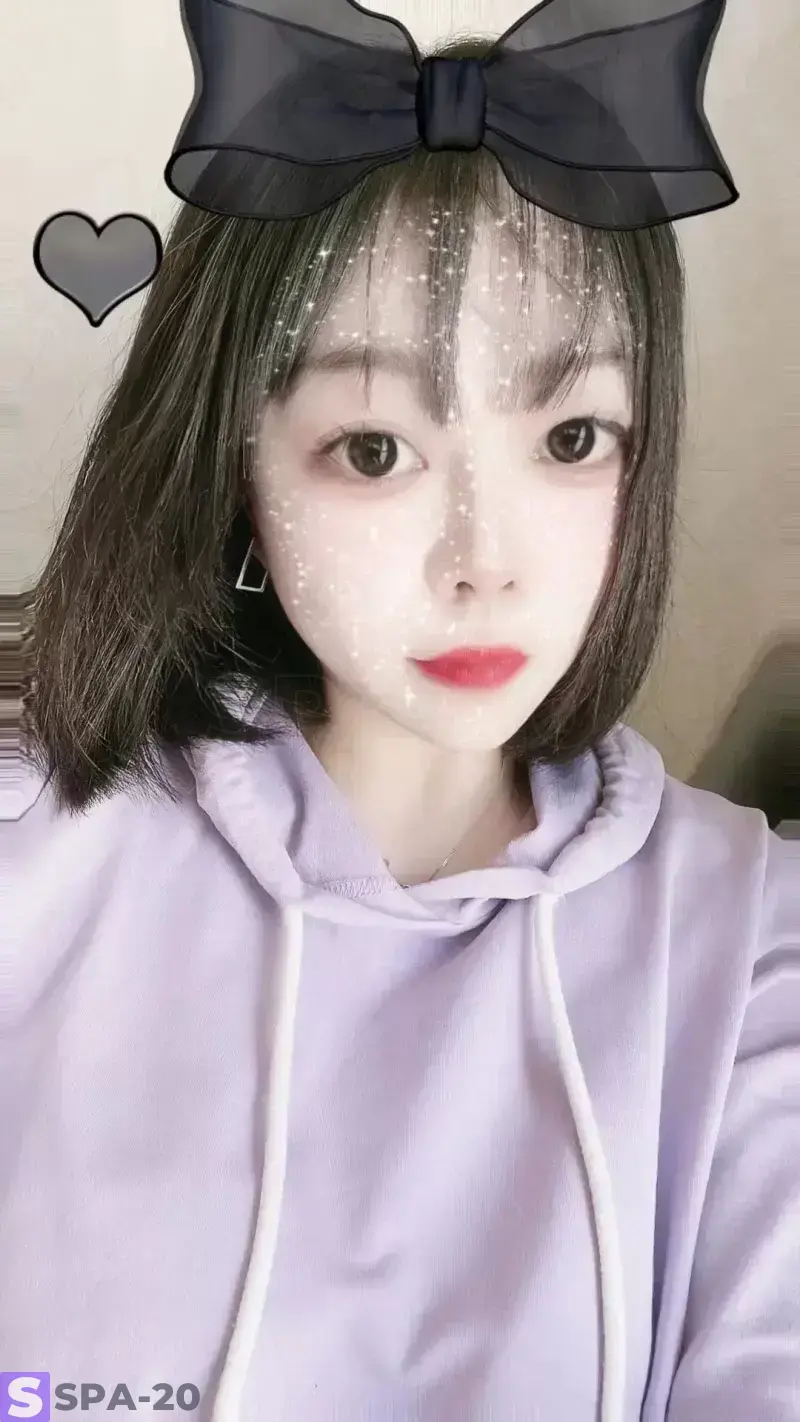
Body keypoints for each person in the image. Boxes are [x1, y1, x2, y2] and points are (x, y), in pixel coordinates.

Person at [3, 5, 798, 1422]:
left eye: (572, 438)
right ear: (237, 470)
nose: (485, 558)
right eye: (374, 447)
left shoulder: (752, 949)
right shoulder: (32, 826)